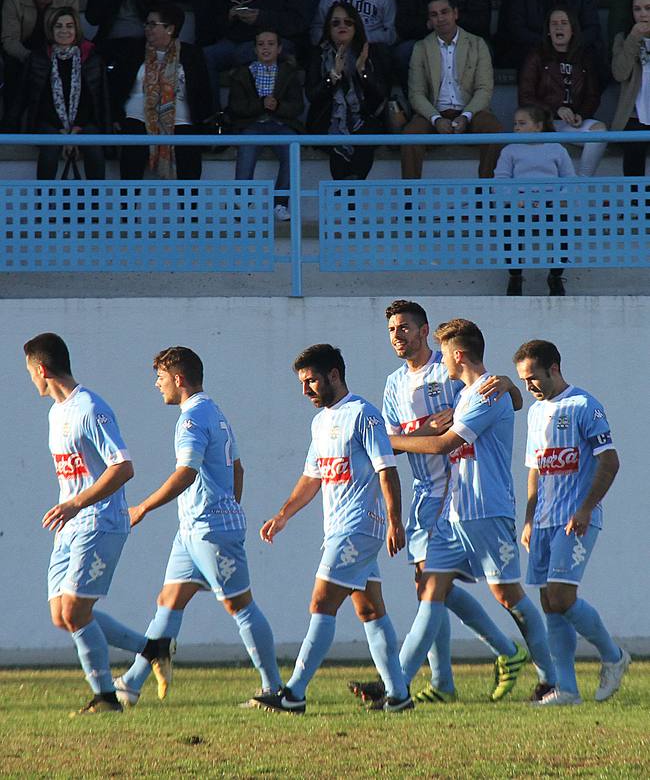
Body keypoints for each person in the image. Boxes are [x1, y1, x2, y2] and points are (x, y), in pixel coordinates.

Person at [350, 300, 546, 706]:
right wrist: (422, 429)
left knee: (443, 588)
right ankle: (454, 675)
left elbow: (499, 403)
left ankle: (422, 679)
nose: (397, 336)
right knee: (430, 587)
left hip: (461, 490)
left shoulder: (451, 367)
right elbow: (390, 445)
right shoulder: (393, 384)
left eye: (404, 328)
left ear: (424, 331)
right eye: (391, 330)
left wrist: (509, 385)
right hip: (426, 492)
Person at [114, 346, 282, 707]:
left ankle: (274, 690)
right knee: (168, 601)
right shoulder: (214, 412)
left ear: (178, 379)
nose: (156, 385)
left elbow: (186, 473)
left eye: (160, 377)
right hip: (192, 530)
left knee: (240, 605)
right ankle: (130, 684)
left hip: (209, 529)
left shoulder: (192, 418)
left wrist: (143, 507)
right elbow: (238, 469)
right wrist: (230, 506)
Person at [251, 343, 412, 714]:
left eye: (311, 381)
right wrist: (283, 515)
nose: (305, 390)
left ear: (334, 375)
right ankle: (398, 694)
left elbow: (387, 469)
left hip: (359, 526)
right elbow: (312, 477)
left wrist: (395, 521)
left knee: (321, 602)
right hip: (340, 527)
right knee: (370, 610)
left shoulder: (363, 414)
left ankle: (294, 693)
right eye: (302, 383)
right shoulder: (320, 422)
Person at [513, 339, 631, 705]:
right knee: (549, 601)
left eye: (533, 377)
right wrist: (529, 519)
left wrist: (585, 509)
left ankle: (613, 656)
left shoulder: (584, 405)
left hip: (575, 520)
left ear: (554, 368)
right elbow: (536, 469)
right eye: (523, 380)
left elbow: (610, 461)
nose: (529, 386)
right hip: (544, 521)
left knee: (562, 597)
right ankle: (566, 689)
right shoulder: (535, 412)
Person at [24, 332, 136, 714]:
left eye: (30, 372)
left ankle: (105, 698)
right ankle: (151, 648)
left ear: (42, 370)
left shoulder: (90, 408)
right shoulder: (56, 413)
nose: (31, 380)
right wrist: (68, 507)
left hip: (99, 520)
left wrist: (75, 503)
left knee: (75, 613)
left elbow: (123, 467)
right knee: (61, 615)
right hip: (69, 525)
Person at [400, 0, 502, 180]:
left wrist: (466, 115)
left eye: (444, 12)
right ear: (429, 20)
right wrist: (436, 119)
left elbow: (484, 89)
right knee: (410, 136)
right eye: (434, 14)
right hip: (434, 111)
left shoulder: (477, 44)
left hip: (471, 112)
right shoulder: (421, 47)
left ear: (455, 13)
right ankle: (410, 197)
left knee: (494, 131)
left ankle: (486, 193)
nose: (440, 18)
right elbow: (416, 93)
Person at [109, 2, 211, 180]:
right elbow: (116, 88)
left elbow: (203, 93)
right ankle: (128, 199)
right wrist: (116, 117)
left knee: (189, 158)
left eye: (152, 24)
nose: (147, 28)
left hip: (180, 122)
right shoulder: (132, 51)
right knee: (132, 150)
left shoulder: (191, 54)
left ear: (170, 29)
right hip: (137, 119)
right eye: (146, 23)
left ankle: (189, 199)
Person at [9, 7, 110, 181]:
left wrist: (76, 129)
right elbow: (39, 99)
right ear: (51, 29)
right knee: (50, 148)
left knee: (94, 148)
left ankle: (95, 197)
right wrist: (62, 130)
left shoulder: (91, 58)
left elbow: (91, 99)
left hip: (83, 121)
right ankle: (44, 198)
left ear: (76, 29)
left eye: (69, 26)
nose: (64, 30)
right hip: (50, 121)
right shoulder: (38, 57)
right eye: (59, 26)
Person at [494, 105, 574, 296]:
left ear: (538, 126)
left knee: (563, 234)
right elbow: (501, 180)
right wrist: (516, 199)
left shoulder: (556, 149)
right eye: (515, 124)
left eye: (522, 123)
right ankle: (515, 275)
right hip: (520, 203)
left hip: (551, 203)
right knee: (511, 234)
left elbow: (570, 179)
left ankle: (555, 275)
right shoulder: (510, 150)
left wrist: (558, 199)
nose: (516, 127)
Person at [306, 2, 389, 182]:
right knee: (336, 135)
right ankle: (348, 193)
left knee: (367, 135)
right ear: (328, 29)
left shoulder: (370, 53)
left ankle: (348, 191)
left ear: (356, 26)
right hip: (329, 118)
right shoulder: (318, 54)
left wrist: (362, 72)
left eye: (348, 22)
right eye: (336, 23)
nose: (342, 26)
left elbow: (380, 94)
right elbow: (312, 96)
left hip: (364, 117)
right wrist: (333, 76)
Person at [518, 8, 607, 177]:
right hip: (544, 122)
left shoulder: (584, 57)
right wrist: (555, 110)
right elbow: (525, 97)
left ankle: (581, 183)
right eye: (554, 24)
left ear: (573, 30)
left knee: (600, 131)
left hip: (571, 123)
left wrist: (581, 114)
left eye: (564, 23)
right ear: (548, 31)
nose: (559, 27)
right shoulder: (537, 56)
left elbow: (593, 95)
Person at [228, 27, 304, 222]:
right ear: (255, 49)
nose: (266, 48)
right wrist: (260, 104)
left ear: (279, 49)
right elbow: (236, 106)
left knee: (292, 149)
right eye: (261, 44)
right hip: (253, 124)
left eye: (271, 44)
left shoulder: (289, 73)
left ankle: (280, 203)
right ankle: (242, 202)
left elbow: (297, 106)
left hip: (281, 124)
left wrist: (278, 106)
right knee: (246, 151)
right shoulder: (243, 73)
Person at [1, 0, 79, 110]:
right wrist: (30, 58)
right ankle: (12, 119)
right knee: (11, 68)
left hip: (57, 50)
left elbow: (73, 34)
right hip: (22, 51)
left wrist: (53, 58)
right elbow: (9, 39)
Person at [611, 0, 650, 175]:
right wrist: (633, 38)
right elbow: (620, 73)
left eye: (648, 8)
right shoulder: (623, 38)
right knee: (633, 166)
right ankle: (635, 195)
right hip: (635, 113)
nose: (643, 14)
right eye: (637, 9)